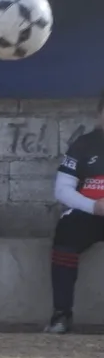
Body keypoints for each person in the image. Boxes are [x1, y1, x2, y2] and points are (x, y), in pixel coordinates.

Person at [44, 92, 104, 334]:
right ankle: (61, 314)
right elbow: (62, 190)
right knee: (65, 236)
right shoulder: (83, 145)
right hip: (87, 213)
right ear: (99, 115)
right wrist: (93, 207)